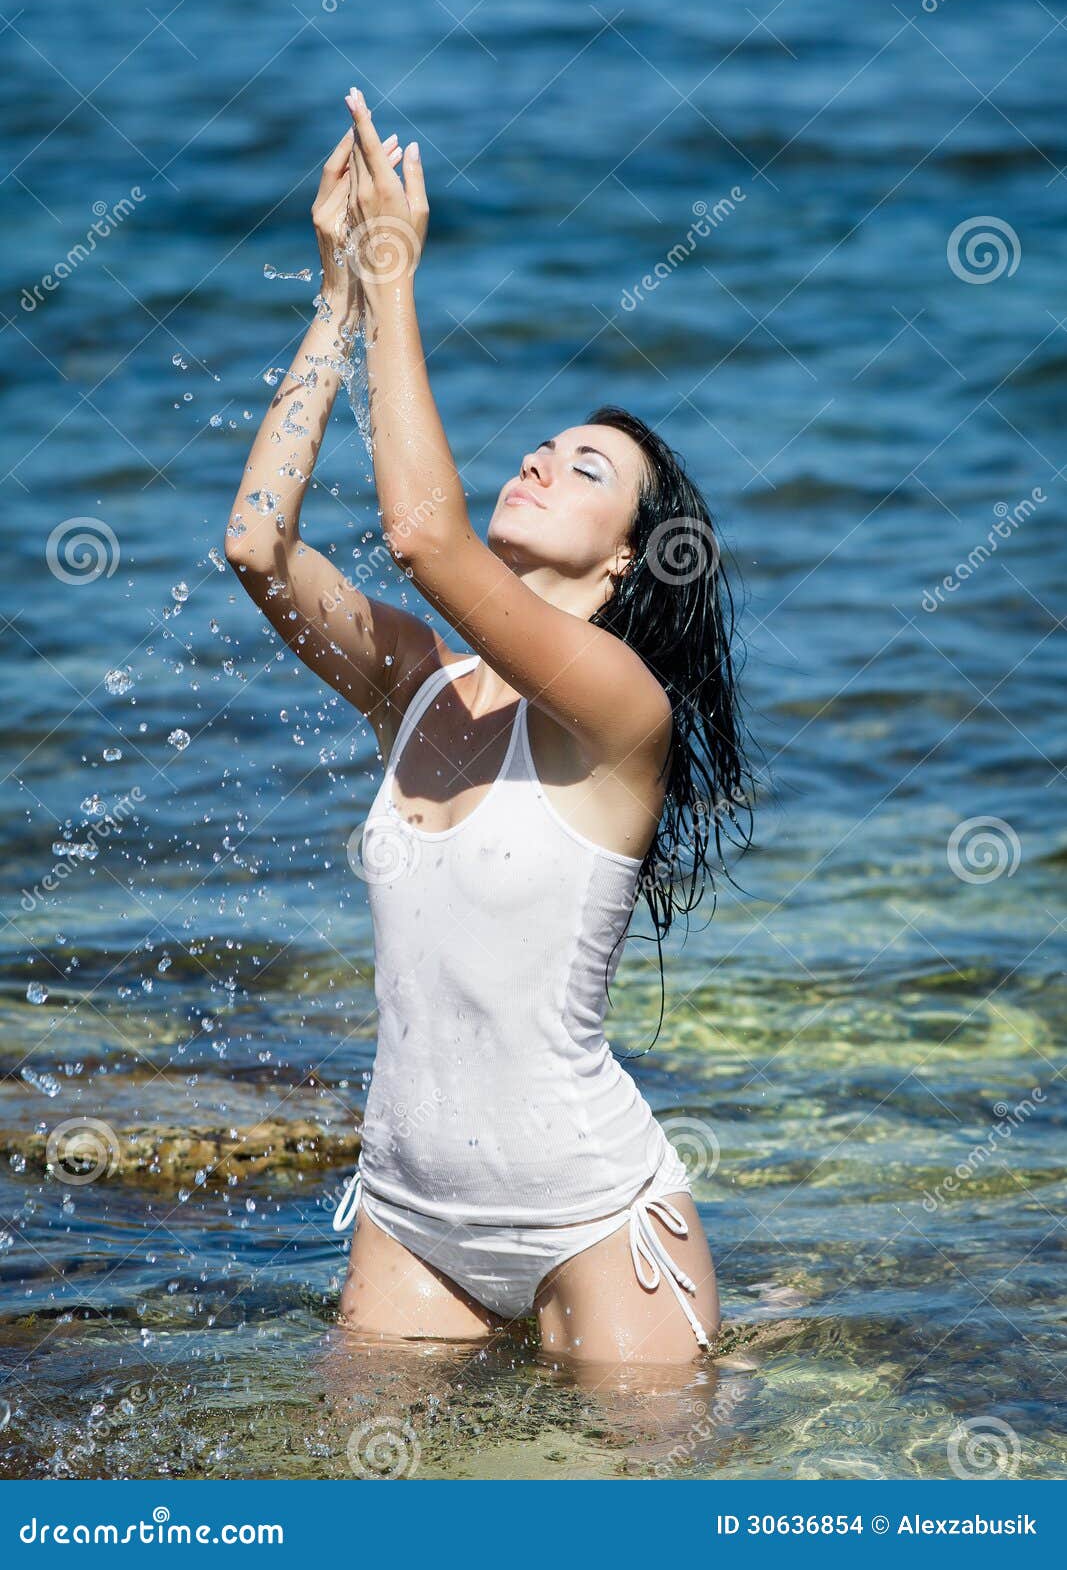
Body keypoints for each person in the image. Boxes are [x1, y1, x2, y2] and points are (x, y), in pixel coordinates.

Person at [225, 87, 754, 1364]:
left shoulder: (625, 715)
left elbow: (421, 533)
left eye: (585, 470)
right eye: (544, 443)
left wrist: (399, 265)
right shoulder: (414, 683)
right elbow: (256, 543)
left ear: (625, 564)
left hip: (595, 1222)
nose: (540, 460)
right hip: (408, 1219)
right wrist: (342, 301)